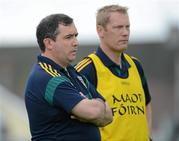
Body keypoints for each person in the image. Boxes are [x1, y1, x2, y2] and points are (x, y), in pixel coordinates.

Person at [24, 13, 113, 141]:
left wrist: (91, 109)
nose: (76, 42)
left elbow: (109, 115)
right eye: (68, 37)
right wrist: (96, 106)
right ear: (49, 43)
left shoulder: (72, 72)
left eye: (76, 36)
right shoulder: (47, 77)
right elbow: (94, 112)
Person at [75, 5, 152, 141]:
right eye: (118, 27)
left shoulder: (136, 65)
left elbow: (146, 104)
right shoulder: (87, 69)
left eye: (127, 27)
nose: (125, 33)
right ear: (100, 30)